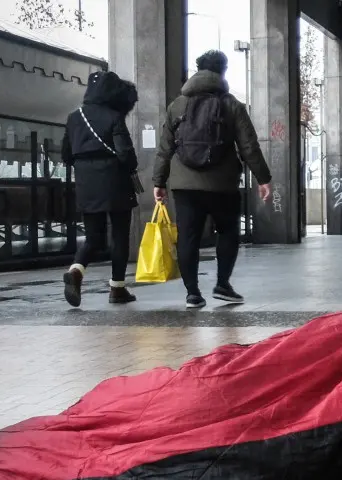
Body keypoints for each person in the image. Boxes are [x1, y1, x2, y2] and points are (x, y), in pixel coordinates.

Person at [153, 50, 272, 309]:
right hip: (223, 184)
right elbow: (249, 146)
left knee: (188, 237)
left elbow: (165, 148)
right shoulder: (232, 105)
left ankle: (192, 294)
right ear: (222, 71)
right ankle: (222, 284)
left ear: (197, 70)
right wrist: (263, 178)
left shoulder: (177, 105)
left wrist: (158, 182)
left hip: (185, 185)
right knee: (228, 232)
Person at [60, 71, 140, 308]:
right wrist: (131, 165)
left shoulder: (74, 117)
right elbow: (125, 153)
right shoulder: (114, 116)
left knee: (93, 237)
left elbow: (66, 154)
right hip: (115, 182)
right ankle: (117, 288)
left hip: (86, 183)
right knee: (120, 236)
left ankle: (76, 271)